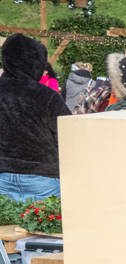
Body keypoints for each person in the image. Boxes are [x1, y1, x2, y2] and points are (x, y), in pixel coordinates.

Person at [0, 34, 70, 201]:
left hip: (2, 172)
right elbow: (68, 134)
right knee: (46, 224)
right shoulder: (47, 96)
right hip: (42, 175)